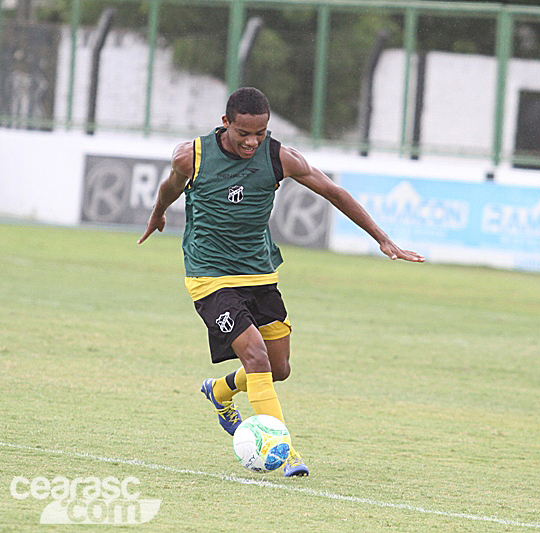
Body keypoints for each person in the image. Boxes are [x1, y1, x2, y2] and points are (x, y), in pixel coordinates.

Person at [138, 87, 425, 477]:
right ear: (226, 124)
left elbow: (334, 192)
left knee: (278, 367)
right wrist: (158, 213)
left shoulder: (280, 158)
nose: (252, 142)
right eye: (244, 134)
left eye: (261, 132)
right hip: (209, 274)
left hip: (259, 272)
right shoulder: (192, 156)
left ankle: (221, 392)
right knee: (255, 356)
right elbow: (172, 184)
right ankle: (285, 450)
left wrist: (383, 238)